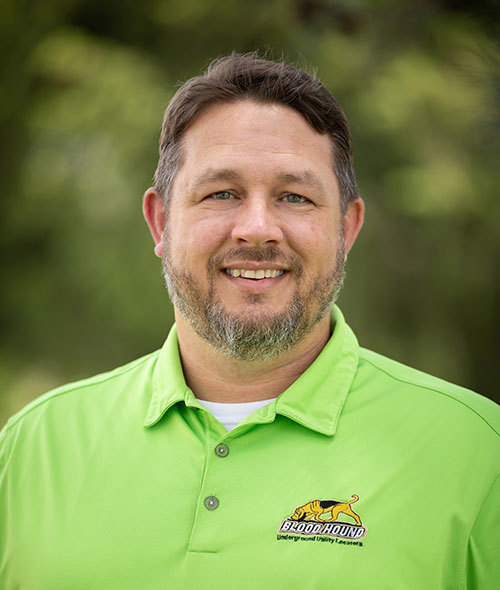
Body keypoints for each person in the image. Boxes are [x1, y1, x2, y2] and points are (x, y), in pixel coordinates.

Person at [1, 53, 498, 590]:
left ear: (346, 230)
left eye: (295, 197)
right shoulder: (32, 448)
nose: (257, 228)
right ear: (161, 222)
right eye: (221, 193)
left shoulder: (477, 453)